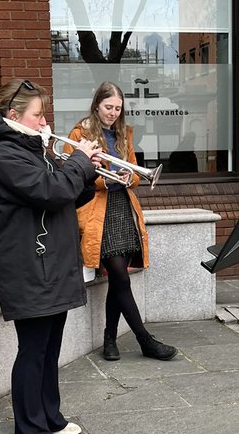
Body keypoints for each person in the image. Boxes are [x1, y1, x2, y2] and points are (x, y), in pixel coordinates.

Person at [0, 79, 100, 434]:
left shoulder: (33, 149)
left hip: (51, 261)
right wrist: (77, 161)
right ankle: (28, 429)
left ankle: (50, 415)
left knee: (50, 346)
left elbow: (66, 194)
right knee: (33, 348)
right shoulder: (4, 154)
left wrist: (87, 171)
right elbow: (50, 191)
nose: (45, 121)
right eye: (38, 114)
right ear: (14, 116)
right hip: (28, 264)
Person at [68, 82, 177, 361]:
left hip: (123, 208)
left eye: (118, 108)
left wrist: (131, 177)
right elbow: (74, 175)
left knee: (118, 280)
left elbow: (136, 171)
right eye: (108, 107)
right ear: (96, 105)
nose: (113, 113)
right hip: (98, 212)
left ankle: (109, 340)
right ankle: (145, 339)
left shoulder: (123, 134)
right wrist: (105, 179)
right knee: (120, 275)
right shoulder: (80, 133)